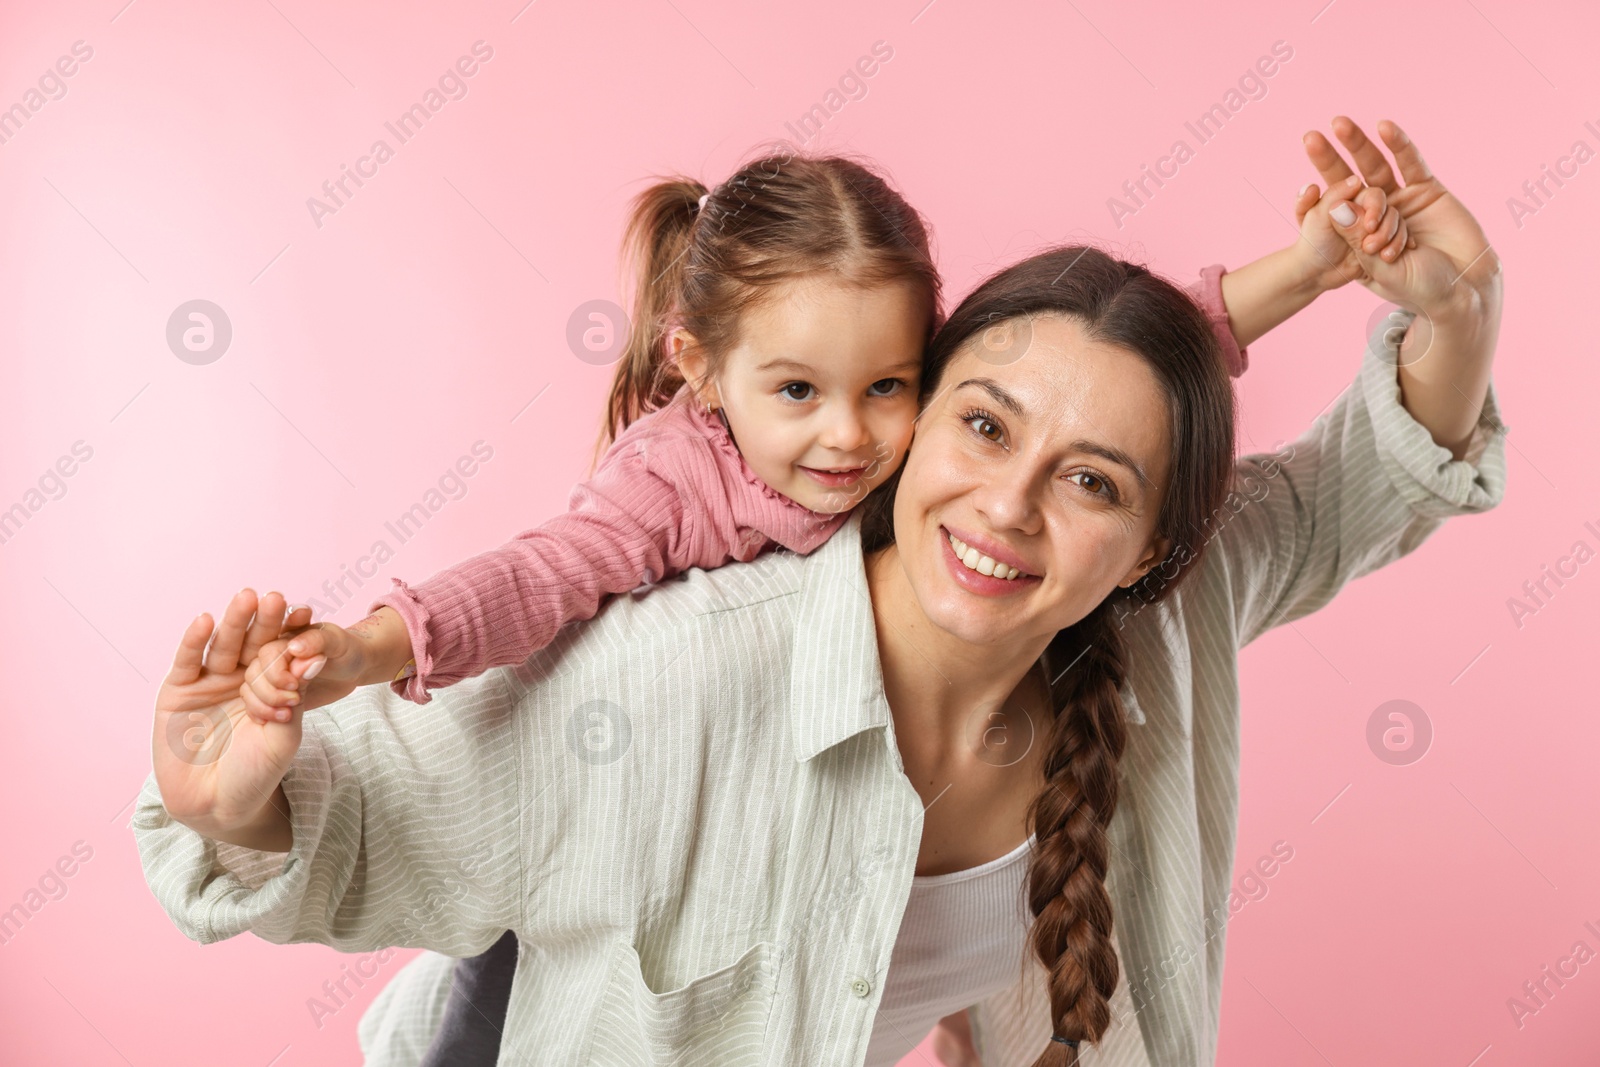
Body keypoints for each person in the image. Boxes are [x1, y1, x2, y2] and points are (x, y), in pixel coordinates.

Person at [136, 116, 1504, 1066]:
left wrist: (1456, 306)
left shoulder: (1162, 632)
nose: (1010, 503)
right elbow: (362, 819)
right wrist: (247, 790)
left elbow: (1330, 480)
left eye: (1090, 483)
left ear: (1155, 543)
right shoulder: (674, 667)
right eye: (982, 425)